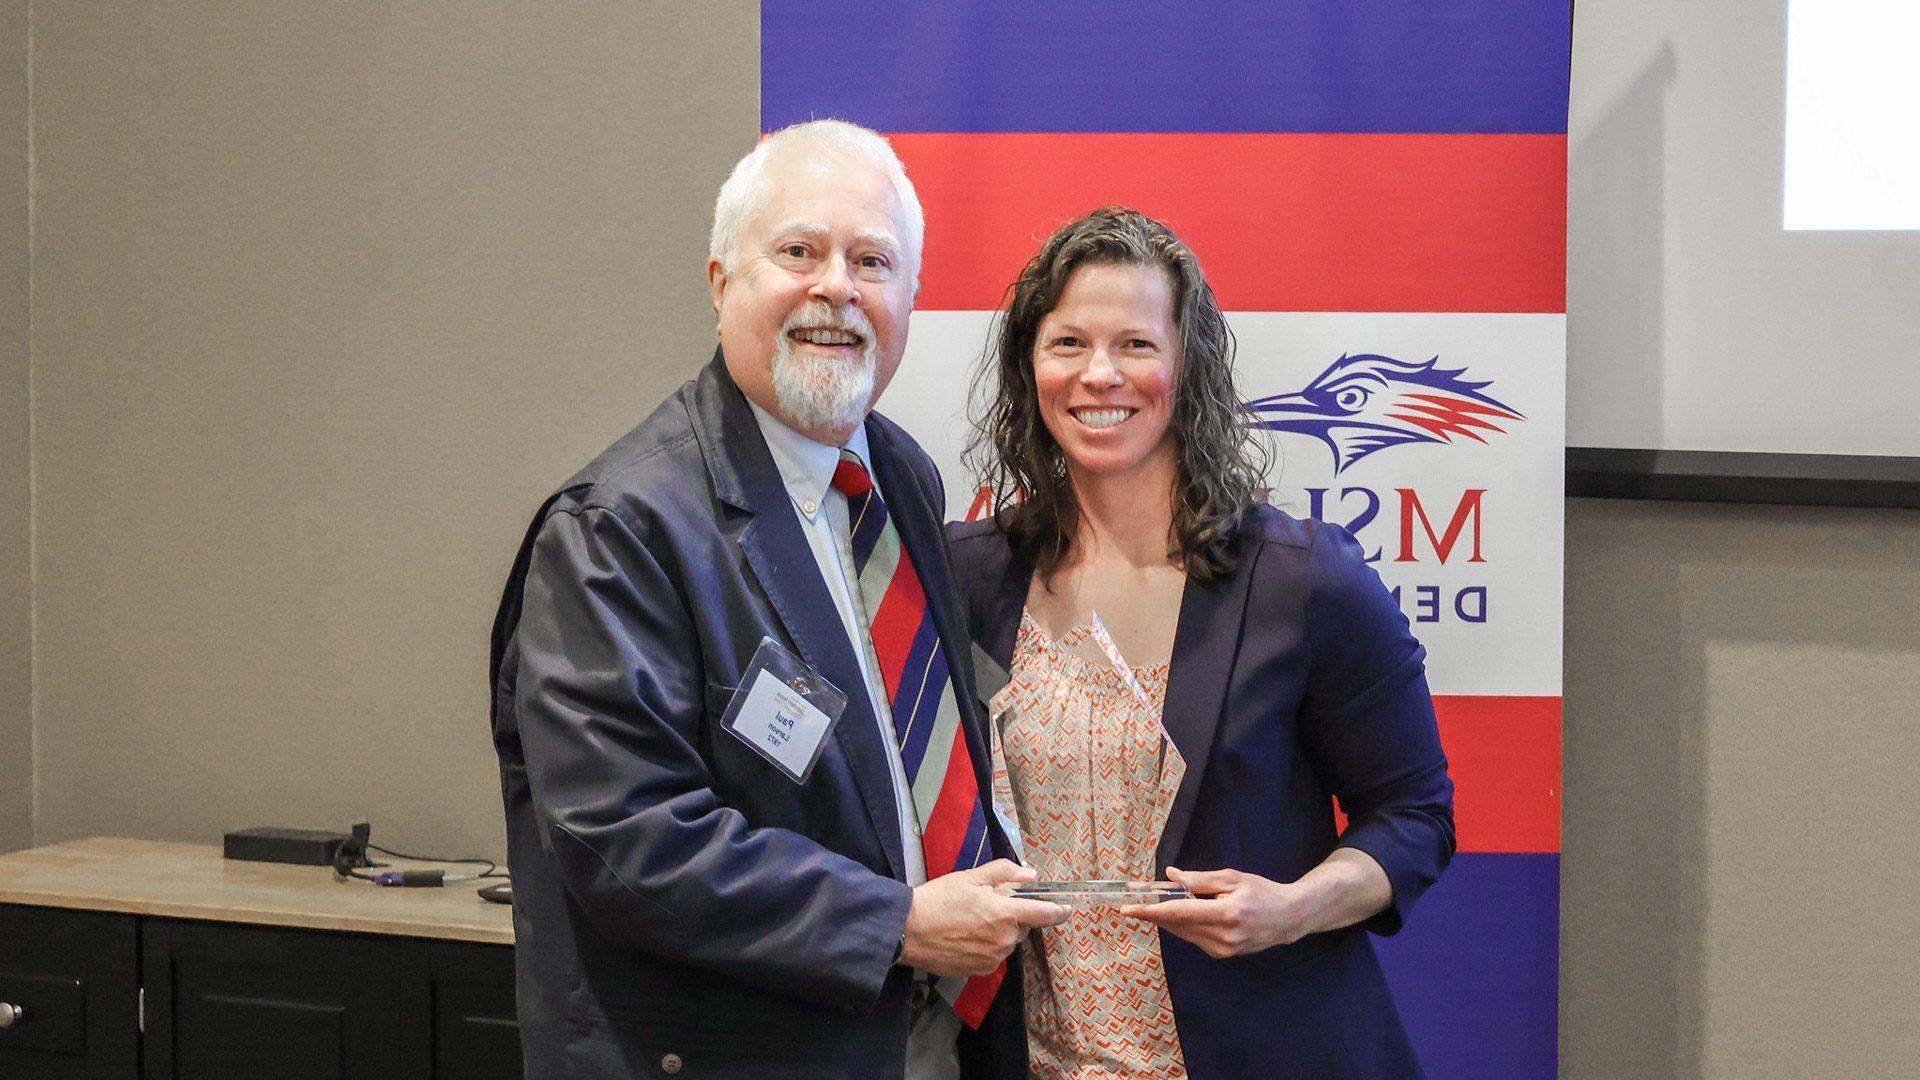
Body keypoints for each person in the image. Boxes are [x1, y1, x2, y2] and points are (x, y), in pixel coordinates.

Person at [489, 119, 1066, 1080]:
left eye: (872, 261)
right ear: (722, 283)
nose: (835, 286)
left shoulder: (900, 479)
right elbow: (629, 842)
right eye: (798, 251)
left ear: (911, 301)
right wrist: (899, 924)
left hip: (920, 1041)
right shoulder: (620, 530)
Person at [949, 207, 1455, 1078]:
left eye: (1137, 345)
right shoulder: (968, 579)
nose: (1099, 375)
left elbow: (1415, 819)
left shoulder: (1302, 581)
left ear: (1189, 367)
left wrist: (1293, 907)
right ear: (1029, 366)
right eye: (1068, 343)